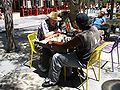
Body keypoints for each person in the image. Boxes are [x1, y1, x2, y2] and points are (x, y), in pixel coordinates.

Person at [41, 13, 101, 87]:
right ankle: (69, 72)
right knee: (68, 52)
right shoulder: (94, 28)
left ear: (78, 24)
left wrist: (53, 42)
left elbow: (66, 46)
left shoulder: (82, 36)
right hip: (92, 58)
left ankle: (52, 80)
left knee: (56, 57)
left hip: (83, 60)